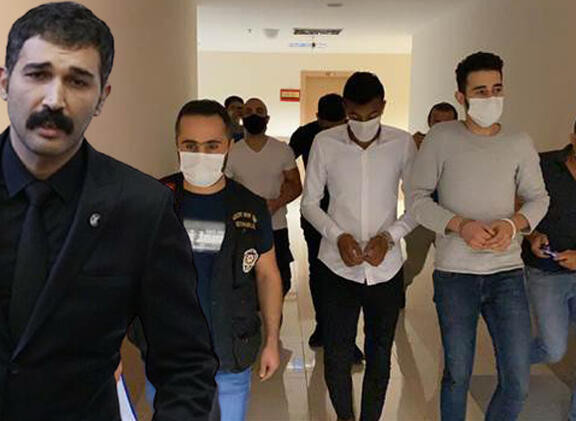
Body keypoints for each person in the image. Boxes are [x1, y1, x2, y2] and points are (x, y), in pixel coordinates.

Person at [0, 3, 217, 420]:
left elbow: (186, 365)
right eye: (38, 74)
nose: (54, 99)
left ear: (102, 97)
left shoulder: (141, 208)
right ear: (6, 82)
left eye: (78, 81)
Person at [410, 51, 550, 421]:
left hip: (507, 274)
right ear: (461, 96)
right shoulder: (441, 138)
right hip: (456, 274)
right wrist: (461, 225)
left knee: (517, 380)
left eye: (497, 89)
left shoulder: (518, 141)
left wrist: (513, 224)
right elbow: (417, 200)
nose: (491, 98)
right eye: (481, 91)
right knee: (457, 375)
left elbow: (539, 198)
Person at [137, 99, 283, 420]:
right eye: (191, 145)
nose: (201, 154)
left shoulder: (250, 206)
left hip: (229, 351)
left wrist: (272, 340)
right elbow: (126, 274)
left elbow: (268, 275)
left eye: (212, 145)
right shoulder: (152, 201)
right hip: (169, 357)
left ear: (229, 145)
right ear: (177, 144)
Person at [301, 72, 417, 421]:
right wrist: (338, 236)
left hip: (386, 269)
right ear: (344, 108)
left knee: (380, 354)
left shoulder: (402, 143)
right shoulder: (325, 142)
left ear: (383, 106)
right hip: (337, 268)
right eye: (354, 115)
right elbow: (309, 203)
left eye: (372, 115)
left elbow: (417, 205)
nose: (363, 123)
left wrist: (389, 237)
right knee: (337, 354)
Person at [522, 118, 576, 421]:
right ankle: (512, 361)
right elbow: (517, 205)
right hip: (546, 272)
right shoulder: (542, 165)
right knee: (553, 348)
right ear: (573, 138)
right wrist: (532, 235)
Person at [226, 97, 302, 296]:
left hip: (276, 228)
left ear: (267, 118)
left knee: (280, 283)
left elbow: (296, 185)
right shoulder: (233, 153)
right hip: (243, 230)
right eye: (249, 111)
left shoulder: (282, 150)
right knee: (245, 285)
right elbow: (225, 189)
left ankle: (274, 316)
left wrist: (277, 203)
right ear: (242, 117)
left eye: (259, 111)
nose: (254, 115)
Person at [289, 93, 347, 348]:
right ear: (318, 119)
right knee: (319, 270)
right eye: (327, 127)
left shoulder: (354, 134)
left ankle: (344, 336)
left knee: (347, 273)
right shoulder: (305, 134)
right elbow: (283, 163)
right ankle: (323, 325)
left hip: (348, 215)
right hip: (315, 213)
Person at [403, 102, 458, 307]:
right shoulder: (415, 145)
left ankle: (445, 299)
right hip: (422, 217)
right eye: (437, 121)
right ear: (429, 122)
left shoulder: (463, 147)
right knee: (414, 264)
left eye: (447, 122)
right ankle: (398, 290)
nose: (441, 127)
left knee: (450, 264)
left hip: (452, 217)